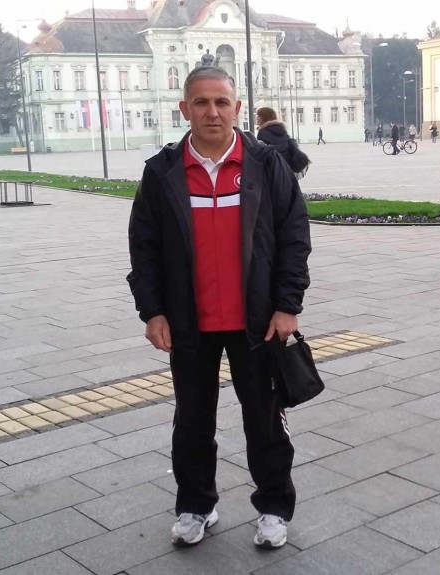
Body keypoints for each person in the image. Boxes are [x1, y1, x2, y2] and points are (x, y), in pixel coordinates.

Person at [127, 66, 311, 551]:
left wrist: (287, 305)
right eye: (201, 102)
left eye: (221, 102)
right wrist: (153, 311)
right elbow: (144, 247)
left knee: (264, 421)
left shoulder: (265, 165)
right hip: (189, 323)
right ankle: (196, 505)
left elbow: (294, 237)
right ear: (184, 109)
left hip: (258, 322)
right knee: (191, 422)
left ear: (237, 108)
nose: (212, 112)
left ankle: (273, 508)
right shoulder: (162, 172)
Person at [256, 106, 310, 178]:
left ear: (264, 117)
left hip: (273, 171)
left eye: (259, 116)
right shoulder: (281, 129)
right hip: (286, 169)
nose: (257, 118)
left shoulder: (263, 132)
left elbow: (262, 154)